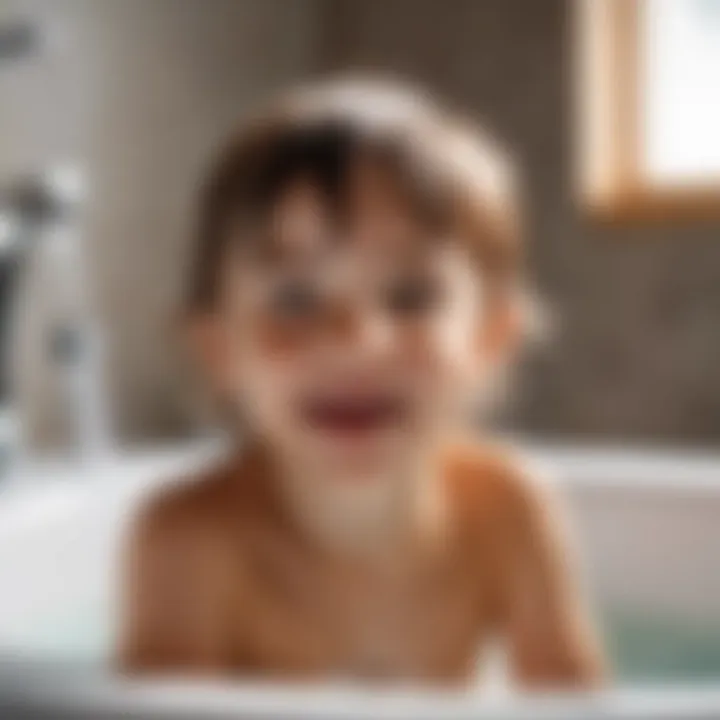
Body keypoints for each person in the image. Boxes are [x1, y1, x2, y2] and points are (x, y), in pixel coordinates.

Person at [117, 79, 604, 687]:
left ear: (489, 340)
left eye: (410, 296)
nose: (356, 338)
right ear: (221, 350)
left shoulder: (509, 513)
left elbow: (576, 705)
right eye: (295, 299)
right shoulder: (190, 541)